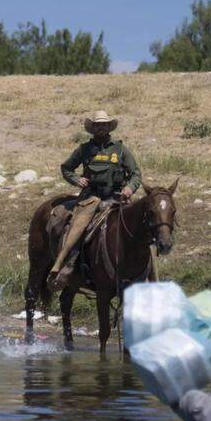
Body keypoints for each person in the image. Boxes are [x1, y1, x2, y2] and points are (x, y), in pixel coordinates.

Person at [48, 110, 142, 290]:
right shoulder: (84, 149)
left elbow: (135, 173)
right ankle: (65, 266)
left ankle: (149, 274)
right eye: (98, 125)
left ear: (109, 127)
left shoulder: (120, 149)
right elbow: (66, 168)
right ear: (93, 128)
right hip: (92, 198)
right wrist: (77, 179)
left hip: (117, 198)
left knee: (141, 229)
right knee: (77, 228)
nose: (101, 128)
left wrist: (129, 188)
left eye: (104, 125)